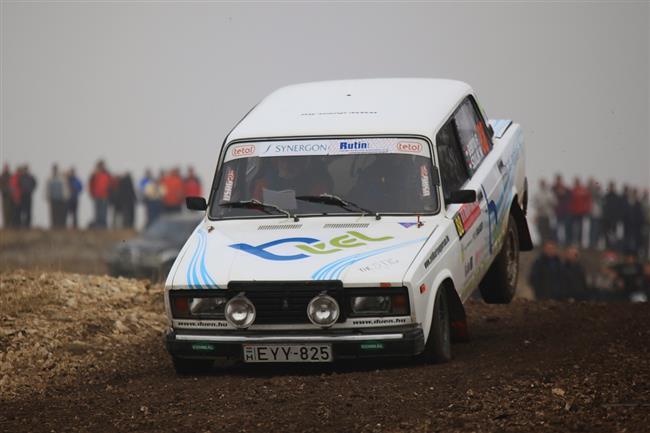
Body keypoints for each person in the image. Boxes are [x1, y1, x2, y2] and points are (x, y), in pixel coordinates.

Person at [568, 177, 592, 247]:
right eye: (575, 182)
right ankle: (573, 241)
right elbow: (569, 201)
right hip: (573, 212)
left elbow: (588, 201)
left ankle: (580, 242)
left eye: (577, 181)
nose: (576, 183)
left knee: (581, 228)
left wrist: (587, 209)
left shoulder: (583, 190)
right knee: (573, 228)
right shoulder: (572, 190)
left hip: (581, 212)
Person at [89, 160, 111, 229]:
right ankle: (98, 225)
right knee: (97, 211)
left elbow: (111, 184)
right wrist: (92, 194)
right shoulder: (94, 174)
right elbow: (91, 185)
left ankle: (103, 225)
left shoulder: (107, 174)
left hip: (105, 195)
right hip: (97, 196)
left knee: (103, 211)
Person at [533, 178, 556, 243]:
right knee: (540, 229)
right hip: (540, 214)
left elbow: (555, 202)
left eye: (544, 184)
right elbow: (534, 204)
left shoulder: (550, 193)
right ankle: (542, 241)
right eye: (542, 184)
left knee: (547, 229)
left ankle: (547, 242)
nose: (543, 185)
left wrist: (549, 202)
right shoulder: (537, 193)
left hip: (548, 215)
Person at [46, 164, 69, 228]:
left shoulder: (61, 179)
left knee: (61, 213)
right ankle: (54, 225)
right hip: (53, 199)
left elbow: (65, 189)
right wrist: (48, 197)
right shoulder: (50, 179)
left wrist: (66, 197)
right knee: (53, 213)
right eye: (54, 169)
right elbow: (47, 189)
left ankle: (61, 226)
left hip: (61, 199)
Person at [602, 182, 623, 251]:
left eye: (612, 187)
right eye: (610, 186)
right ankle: (606, 246)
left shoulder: (617, 197)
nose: (611, 188)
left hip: (614, 219)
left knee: (613, 234)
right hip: (606, 219)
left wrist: (617, 218)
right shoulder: (606, 196)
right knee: (606, 233)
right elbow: (603, 207)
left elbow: (619, 209)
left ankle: (613, 247)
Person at [552, 174, 571, 245]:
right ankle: (556, 241)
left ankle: (565, 242)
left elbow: (569, 198)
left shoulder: (566, 189)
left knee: (565, 228)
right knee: (556, 227)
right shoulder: (553, 188)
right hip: (556, 212)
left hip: (565, 212)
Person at [587, 178, 603, 249]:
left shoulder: (600, 196)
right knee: (592, 230)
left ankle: (595, 244)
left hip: (598, 215)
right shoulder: (591, 194)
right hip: (592, 215)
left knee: (597, 230)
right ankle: (592, 243)